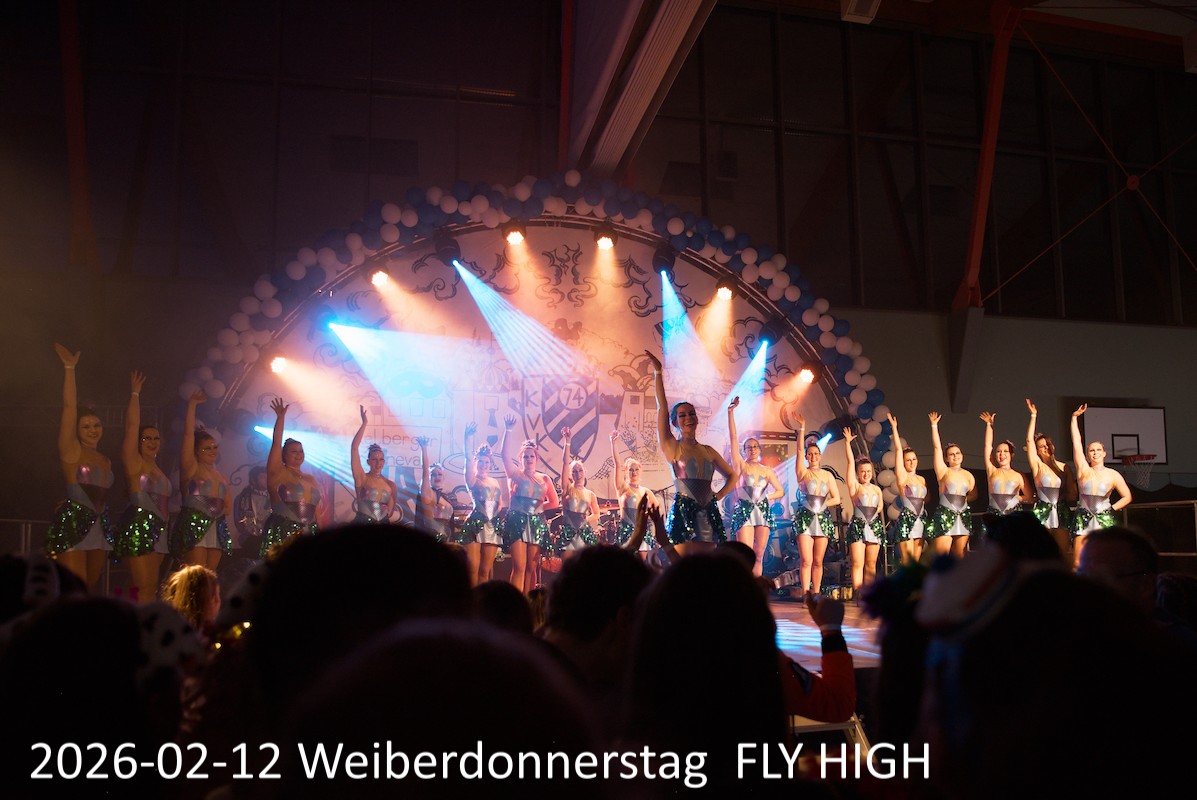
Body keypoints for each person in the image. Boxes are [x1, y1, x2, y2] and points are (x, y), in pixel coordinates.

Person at [644, 350, 735, 555]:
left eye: (691, 414)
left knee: (707, 564)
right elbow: (662, 408)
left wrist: (718, 495)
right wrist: (658, 372)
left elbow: (732, 475)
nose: (688, 418)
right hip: (684, 511)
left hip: (708, 511)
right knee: (683, 564)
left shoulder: (708, 451)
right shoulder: (672, 446)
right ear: (675, 422)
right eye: (682, 415)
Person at [47, 343, 113, 588]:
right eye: (86, 426)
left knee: (88, 588)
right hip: (73, 522)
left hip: (99, 523)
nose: (93, 430)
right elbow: (69, 407)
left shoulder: (106, 460)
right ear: (76, 430)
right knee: (73, 589)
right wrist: (69, 369)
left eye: (96, 425)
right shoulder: (72, 450)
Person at [114, 370, 170, 602]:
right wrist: (135, 394)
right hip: (139, 525)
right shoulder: (134, 462)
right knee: (144, 587)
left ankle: (124, 616)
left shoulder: (158, 468)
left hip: (160, 529)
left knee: (146, 587)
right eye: (147, 438)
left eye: (156, 438)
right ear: (137, 441)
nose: (152, 442)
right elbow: (131, 425)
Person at [172, 390, 232, 570]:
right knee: (196, 574)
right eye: (207, 448)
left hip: (216, 526)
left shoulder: (220, 476)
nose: (213, 451)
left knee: (210, 577)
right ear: (196, 451)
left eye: (214, 447)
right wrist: (192, 405)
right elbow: (188, 436)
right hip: (194, 525)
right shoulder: (191, 468)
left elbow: (228, 506)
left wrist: (216, 512)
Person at [500, 416, 559, 593]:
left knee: (531, 568)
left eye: (531, 456)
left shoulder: (544, 478)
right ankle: (516, 601)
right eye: (525, 456)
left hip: (536, 522)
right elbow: (504, 456)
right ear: (521, 459)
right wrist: (508, 430)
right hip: (516, 521)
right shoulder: (515, 474)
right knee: (519, 566)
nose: (529, 459)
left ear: (536, 458)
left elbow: (554, 502)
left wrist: (537, 509)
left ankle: (530, 602)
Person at [727, 397, 785, 576]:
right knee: (745, 554)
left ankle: (756, 585)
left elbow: (780, 491)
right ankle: (743, 585)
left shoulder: (767, 471)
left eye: (755, 447)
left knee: (759, 554)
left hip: (763, 511)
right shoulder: (741, 466)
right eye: (748, 447)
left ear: (759, 450)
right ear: (744, 451)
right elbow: (733, 438)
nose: (752, 449)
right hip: (744, 509)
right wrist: (730, 413)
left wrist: (767, 497)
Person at [1069, 404, 1132, 568]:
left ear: (1104, 453)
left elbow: (1127, 496)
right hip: (1083, 517)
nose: (1095, 453)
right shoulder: (1083, 469)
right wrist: (1074, 418)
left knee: (1106, 560)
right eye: (1092, 450)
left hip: (1104, 518)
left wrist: (1111, 509)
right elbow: (1076, 442)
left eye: (1098, 450)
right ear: (1088, 454)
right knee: (1078, 561)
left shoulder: (1113, 474)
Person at [259, 398, 322, 558]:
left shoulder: (310, 479)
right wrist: (280, 418)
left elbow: (317, 513)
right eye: (294, 451)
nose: (298, 454)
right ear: (283, 454)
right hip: (284, 531)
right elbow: (276, 443)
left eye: (301, 451)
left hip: (309, 532)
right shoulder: (278, 473)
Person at [792, 414, 841, 598]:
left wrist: (823, 504)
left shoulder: (828, 475)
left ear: (820, 455)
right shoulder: (803, 473)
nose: (813, 456)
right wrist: (802, 428)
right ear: (806, 456)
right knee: (806, 560)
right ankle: (806, 595)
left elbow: (837, 498)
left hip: (822, 518)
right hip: (805, 518)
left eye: (815, 453)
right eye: (809, 454)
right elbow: (798, 451)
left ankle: (816, 593)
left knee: (818, 561)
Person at [456, 422, 508, 586]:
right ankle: (470, 599)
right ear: (475, 462)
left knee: (485, 571)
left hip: (492, 526)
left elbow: (500, 504)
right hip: (475, 524)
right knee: (472, 568)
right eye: (480, 462)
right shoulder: (472, 479)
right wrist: (467, 438)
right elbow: (467, 458)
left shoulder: (494, 481)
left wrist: (494, 517)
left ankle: (481, 599)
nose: (483, 465)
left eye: (486, 462)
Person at [1025, 399, 1075, 558]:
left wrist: (1066, 495)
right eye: (1042, 446)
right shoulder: (1038, 466)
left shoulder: (1064, 467)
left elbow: (1073, 494)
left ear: (1053, 446)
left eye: (1048, 444)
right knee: (1042, 552)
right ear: (1038, 451)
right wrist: (1033, 416)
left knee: (1062, 553)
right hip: (1043, 510)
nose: (1046, 448)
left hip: (1061, 509)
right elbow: (1029, 441)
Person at [843, 427, 884, 595]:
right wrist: (847, 443)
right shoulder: (855, 487)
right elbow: (850, 463)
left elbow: (880, 506)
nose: (866, 474)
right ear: (858, 473)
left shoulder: (877, 489)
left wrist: (873, 517)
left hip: (873, 526)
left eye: (868, 471)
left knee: (871, 563)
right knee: (858, 562)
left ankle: (869, 594)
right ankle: (858, 593)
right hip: (858, 526)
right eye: (862, 472)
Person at [929, 411, 974, 558]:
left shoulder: (969, 476)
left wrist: (962, 503)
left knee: (960, 555)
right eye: (951, 454)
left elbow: (972, 494)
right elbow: (937, 448)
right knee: (942, 556)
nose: (955, 456)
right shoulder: (943, 471)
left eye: (958, 453)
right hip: (945, 515)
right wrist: (934, 426)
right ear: (946, 458)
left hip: (962, 515)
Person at [609, 430, 658, 559]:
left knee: (640, 563)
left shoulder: (646, 492)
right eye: (631, 469)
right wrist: (613, 443)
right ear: (626, 471)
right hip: (626, 531)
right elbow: (617, 464)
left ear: (640, 471)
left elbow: (657, 513)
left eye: (636, 469)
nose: (634, 472)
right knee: (625, 563)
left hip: (641, 532)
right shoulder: (622, 488)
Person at [887, 413, 927, 564]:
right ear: (903, 463)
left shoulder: (921, 479)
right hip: (907, 520)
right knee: (907, 561)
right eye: (908, 460)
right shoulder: (903, 477)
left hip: (920, 519)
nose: (912, 462)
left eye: (914, 459)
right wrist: (894, 428)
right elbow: (898, 450)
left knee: (916, 561)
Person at [349, 406, 398, 524]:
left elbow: (390, 512)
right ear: (368, 462)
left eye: (381, 459)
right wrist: (364, 423)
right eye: (374, 459)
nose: (378, 463)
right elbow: (354, 448)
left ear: (384, 462)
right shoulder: (362, 478)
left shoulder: (390, 485)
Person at [557, 426, 600, 557]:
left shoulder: (590, 494)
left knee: (585, 567)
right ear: (571, 474)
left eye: (580, 470)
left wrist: (585, 520)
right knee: (567, 566)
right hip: (568, 533)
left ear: (584, 472)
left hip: (584, 533)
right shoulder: (567, 488)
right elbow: (565, 463)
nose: (578, 474)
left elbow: (596, 513)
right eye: (574, 471)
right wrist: (567, 442)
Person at [980, 411, 1030, 523]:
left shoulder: (1018, 475)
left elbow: (1030, 497)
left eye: (1005, 451)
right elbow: (988, 446)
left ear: (1012, 455)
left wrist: (1017, 498)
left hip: (1013, 518)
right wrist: (989, 425)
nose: (1002, 454)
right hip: (994, 517)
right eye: (998, 451)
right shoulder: (992, 470)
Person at [160, 563, 221, 642]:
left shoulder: (166, 633)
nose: (218, 601)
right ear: (213, 600)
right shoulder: (210, 640)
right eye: (217, 594)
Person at [415, 436, 455, 541]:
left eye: (439, 474)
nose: (437, 477)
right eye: (433, 474)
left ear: (444, 477)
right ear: (428, 478)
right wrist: (424, 448)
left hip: (446, 536)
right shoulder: (428, 493)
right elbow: (425, 470)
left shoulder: (445, 497)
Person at [234, 466, 270, 553]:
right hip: (251, 539)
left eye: (267, 477)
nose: (266, 480)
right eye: (262, 477)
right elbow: (240, 521)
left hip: (270, 537)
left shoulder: (273, 495)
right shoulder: (243, 498)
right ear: (253, 480)